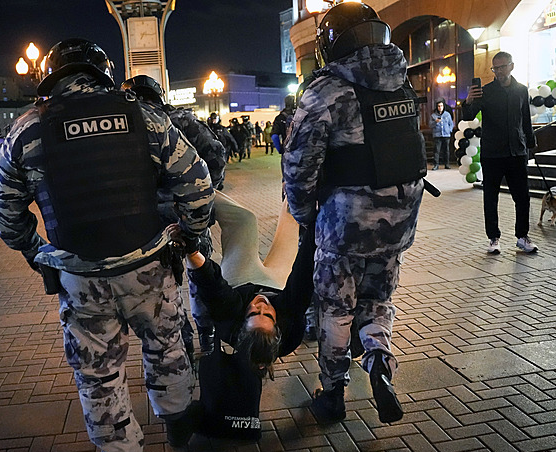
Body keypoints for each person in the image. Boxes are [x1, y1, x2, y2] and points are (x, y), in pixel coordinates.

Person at [0, 38, 214, 452]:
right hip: (148, 266)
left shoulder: (30, 128)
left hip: (82, 278)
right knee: (167, 346)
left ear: (52, 75)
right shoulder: (142, 115)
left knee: (98, 374)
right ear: (100, 73)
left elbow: (1, 211)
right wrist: (188, 233)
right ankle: (176, 423)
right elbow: (198, 185)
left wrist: (37, 253)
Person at [282, 2, 427, 426]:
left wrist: (305, 214)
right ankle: (380, 363)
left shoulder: (326, 91)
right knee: (378, 299)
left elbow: (298, 165)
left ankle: (332, 394)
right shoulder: (400, 81)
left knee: (336, 308)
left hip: (343, 225)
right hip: (399, 220)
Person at [120, 74, 227, 353]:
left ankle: (183, 342)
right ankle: (208, 336)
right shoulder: (182, 121)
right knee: (200, 275)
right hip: (187, 217)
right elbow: (215, 155)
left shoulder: (126, 125)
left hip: (148, 227)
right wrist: (203, 194)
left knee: (163, 289)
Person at [182, 192, 315, 378]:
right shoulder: (291, 330)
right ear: (278, 325)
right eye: (268, 314)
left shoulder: (230, 320)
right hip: (278, 287)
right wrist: (318, 222)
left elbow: (212, 286)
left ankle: (191, 191)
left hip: (241, 282)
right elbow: (305, 274)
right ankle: (297, 188)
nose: (261, 304)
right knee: (293, 215)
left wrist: (190, 250)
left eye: (253, 312)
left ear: (242, 321)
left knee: (245, 220)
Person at [462, 51, 537, 254]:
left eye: (503, 67)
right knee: (491, 198)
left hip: (517, 152)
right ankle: (493, 238)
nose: (499, 71)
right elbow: (468, 115)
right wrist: (468, 101)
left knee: (522, 197)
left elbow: (525, 119)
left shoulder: (521, 90)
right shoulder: (485, 92)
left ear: (512, 66)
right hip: (492, 153)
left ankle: (522, 236)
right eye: (495, 68)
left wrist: (530, 141)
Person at [430, 99, 453, 170]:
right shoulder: (433, 115)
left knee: (446, 150)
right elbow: (430, 125)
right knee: (437, 151)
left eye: (441, 106)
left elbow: (451, 123)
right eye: (439, 106)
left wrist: (449, 130)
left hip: (446, 135)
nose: (440, 107)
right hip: (437, 135)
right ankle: (436, 165)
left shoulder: (447, 114)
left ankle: (447, 164)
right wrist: (435, 122)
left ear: (443, 106)